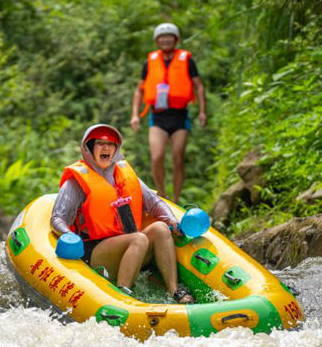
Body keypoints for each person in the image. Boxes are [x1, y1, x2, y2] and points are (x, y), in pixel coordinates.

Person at [50, 123, 195, 303]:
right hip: (96, 253)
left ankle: (174, 290)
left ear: (116, 149)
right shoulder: (75, 183)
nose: (106, 147)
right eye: (100, 143)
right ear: (89, 148)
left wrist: (172, 221)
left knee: (160, 228)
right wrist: (68, 235)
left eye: (110, 144)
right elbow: (57, 217)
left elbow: (154, 202)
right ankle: (122, 296)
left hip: (131, 247)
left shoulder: (125, 174)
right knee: (139, 238)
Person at [130, 22, 207, 203]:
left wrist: (203, 111)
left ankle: (176, 198)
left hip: (180, 116)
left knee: (178, 157)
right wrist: (135, 114)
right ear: (157, 40)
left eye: (169, 37)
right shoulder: (149, 61)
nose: (165, 40)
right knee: (157, 157)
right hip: (158, 116)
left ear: (176, 39)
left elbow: (199, 86)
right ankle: (162, 196)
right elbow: (139, 90)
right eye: (162, 37)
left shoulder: (186, 60)